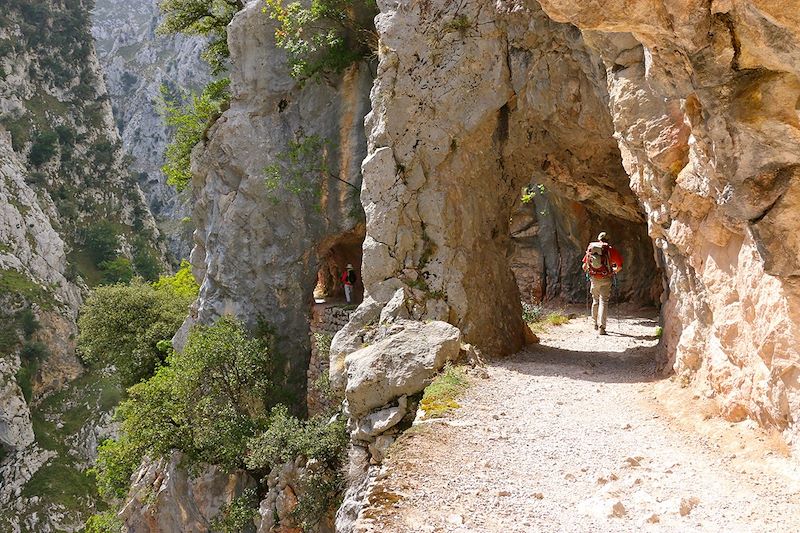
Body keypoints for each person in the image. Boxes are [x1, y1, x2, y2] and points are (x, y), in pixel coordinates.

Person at [582, 232, 623, 335]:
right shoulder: (610, 250)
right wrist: (613, 271)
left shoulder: (591, 248)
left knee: (595, 300)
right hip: (606, 279)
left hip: (594, 279)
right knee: (604, 301)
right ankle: (602, 327)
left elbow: (584, 266)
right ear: (608, 240)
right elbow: (619, 266)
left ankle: (595, 323)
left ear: (599, 239)